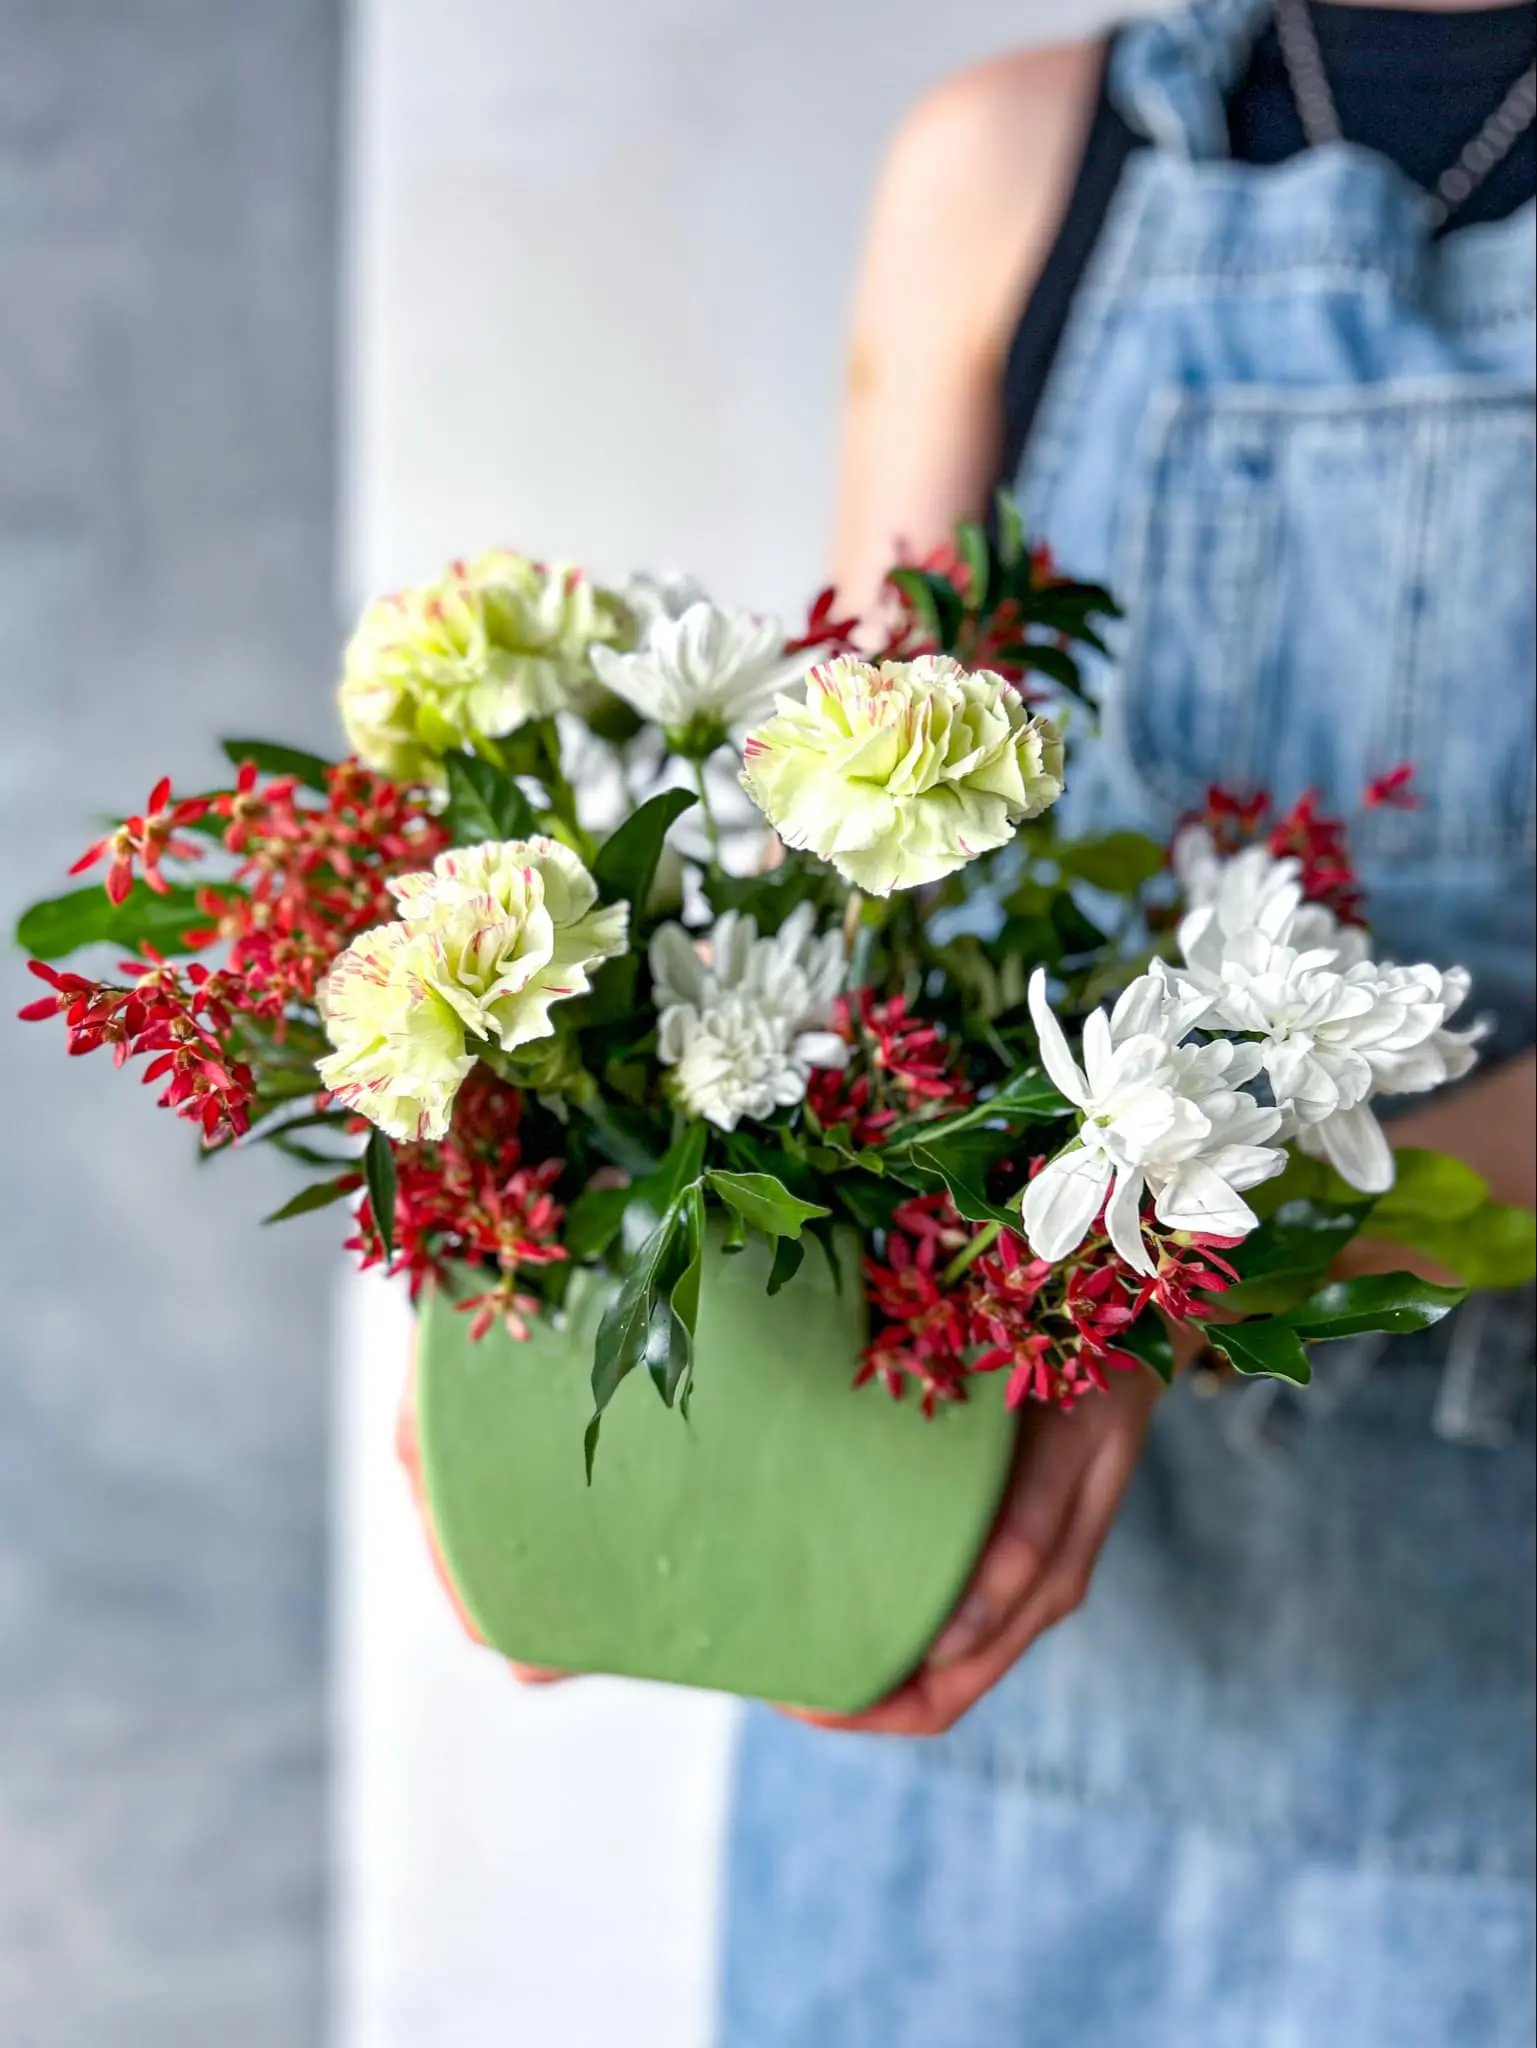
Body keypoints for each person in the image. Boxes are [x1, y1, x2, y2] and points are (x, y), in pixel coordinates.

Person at [714, 1, 1537, 2042]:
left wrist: (1189, 1270)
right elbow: (849, 903)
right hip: (960, 1730)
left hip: (1482, 1753)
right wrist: (562, 1297)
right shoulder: (1008, 167)